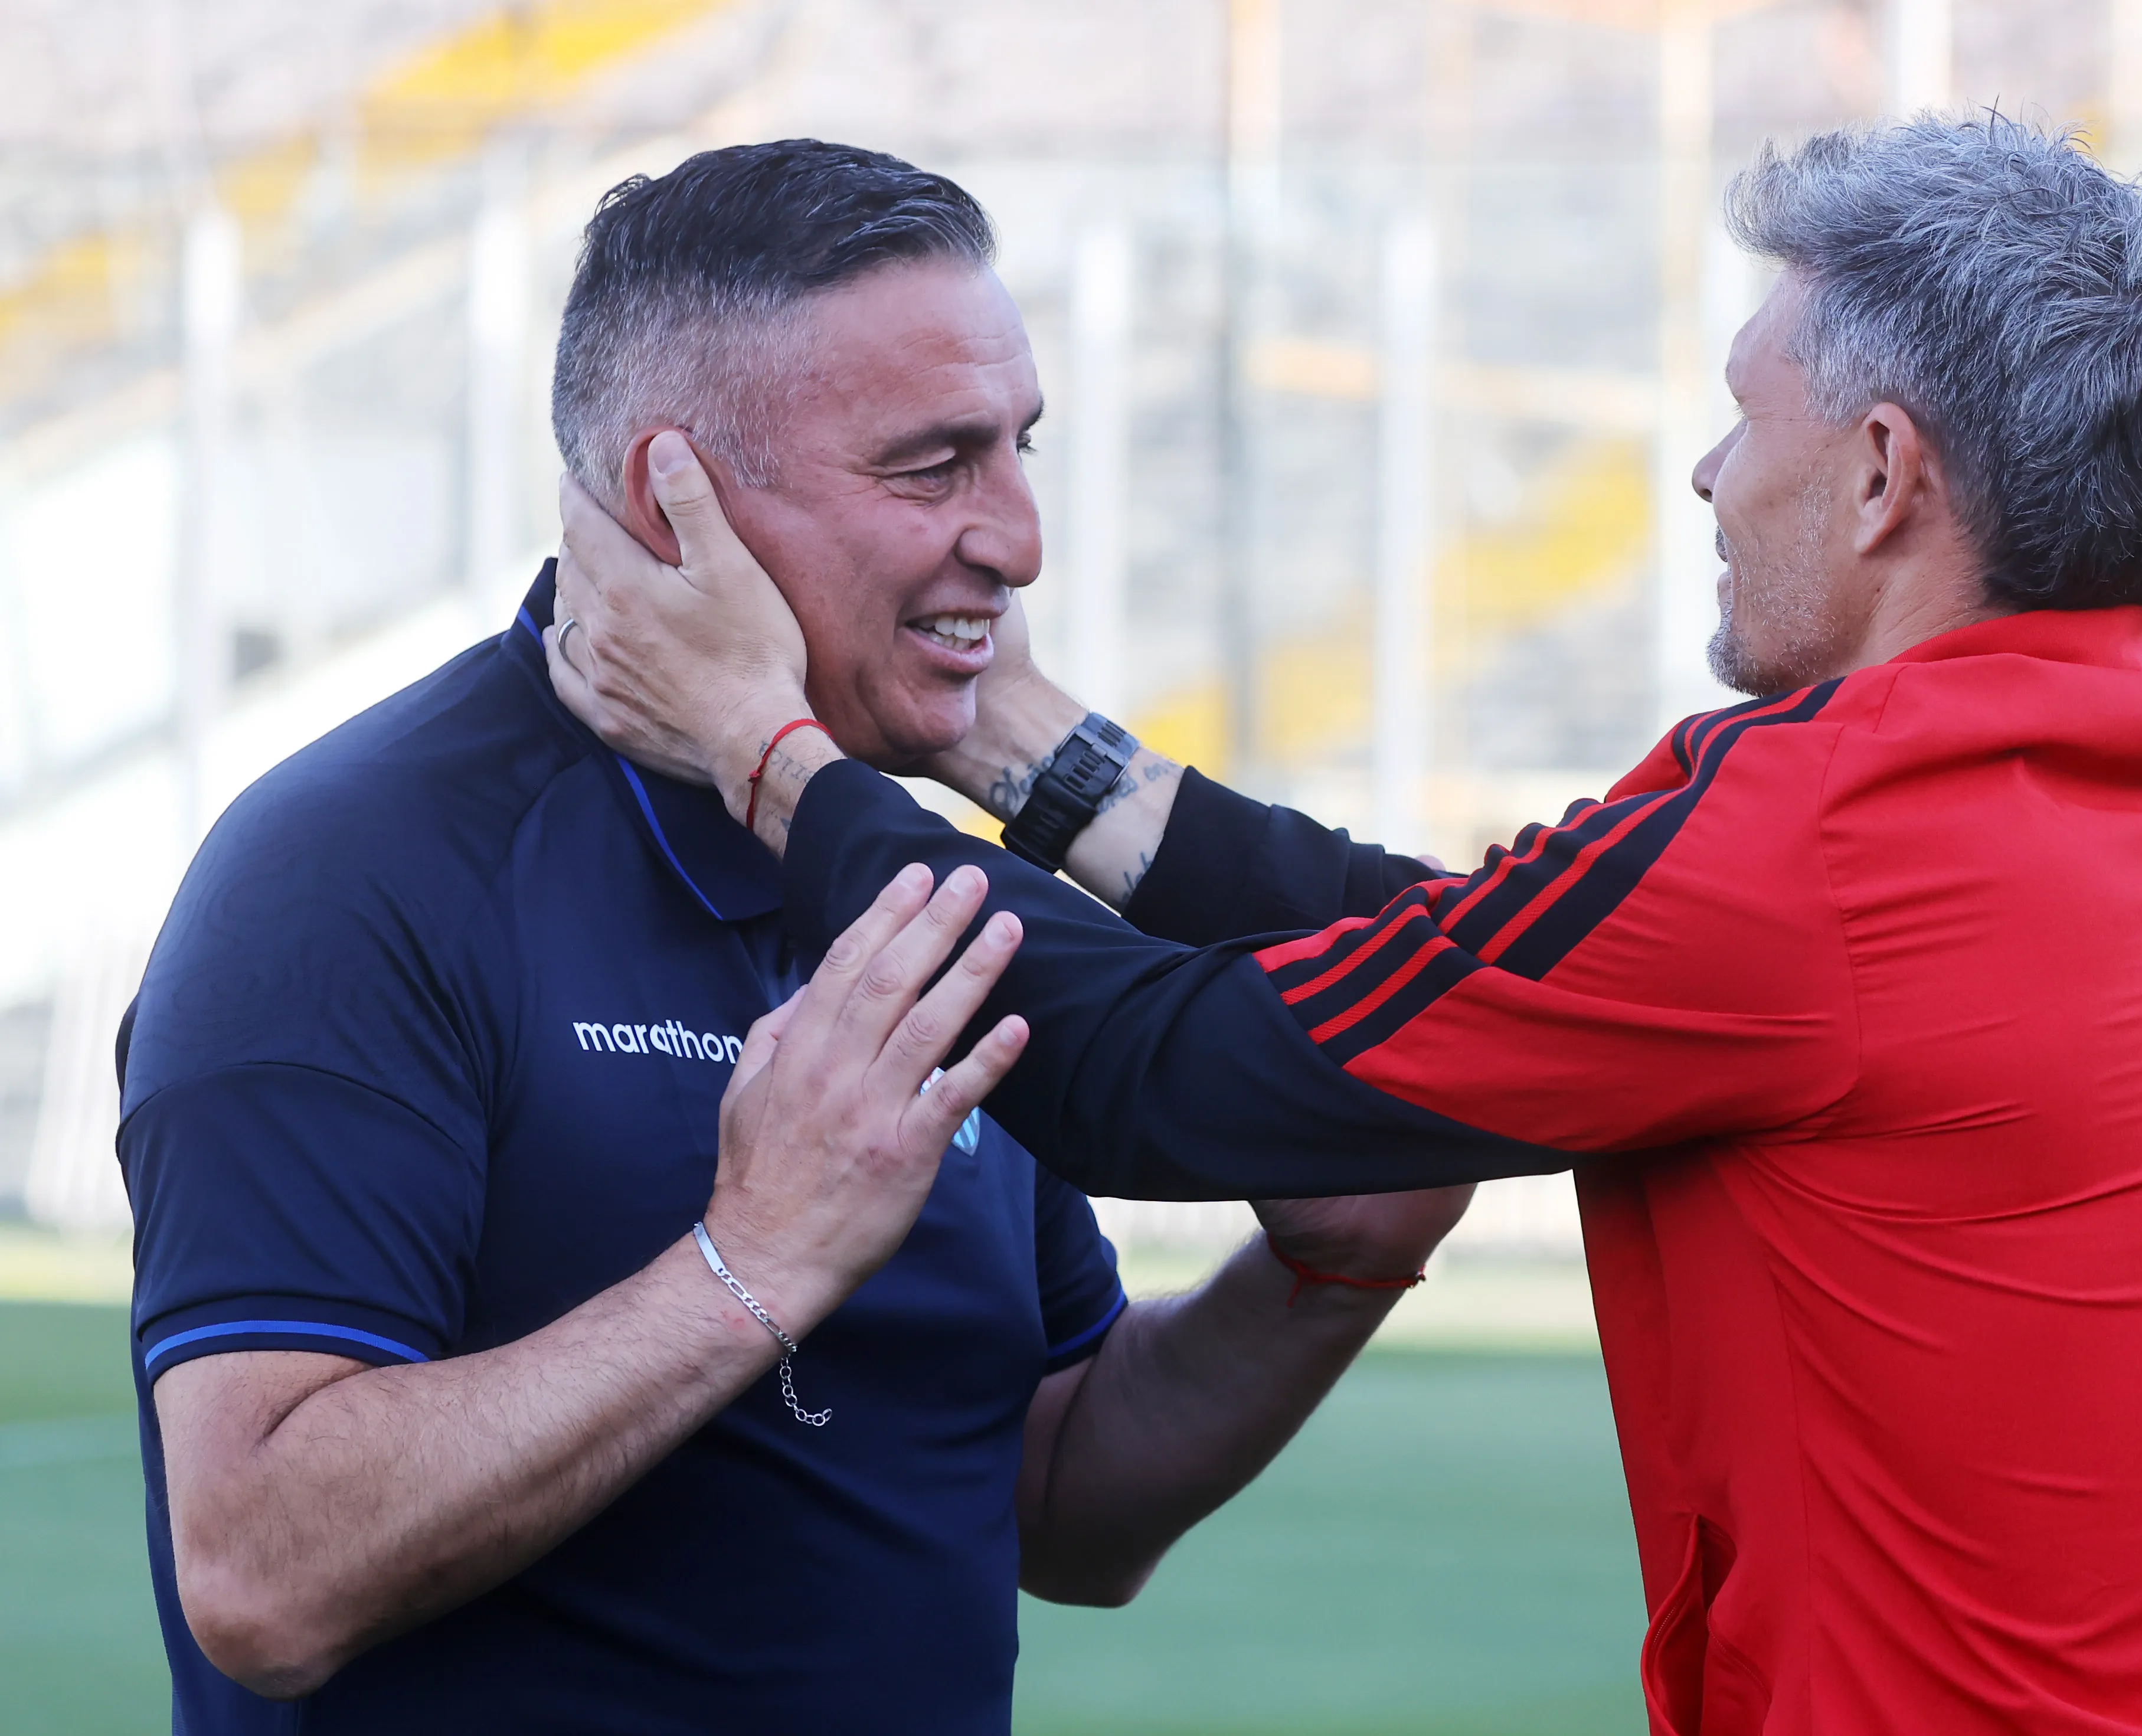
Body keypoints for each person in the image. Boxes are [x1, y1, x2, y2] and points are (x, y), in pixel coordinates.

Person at [554, 115, 2142, 1734]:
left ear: (1878, 476)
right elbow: (1485, 950)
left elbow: (1161, 1087)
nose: (1704, 476)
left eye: (1737, 418)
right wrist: (1009, 736)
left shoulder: (1825, 837)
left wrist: (770, 750)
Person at [117, 141, 1471, 1736]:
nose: (1022, 536)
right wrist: (747, 1265)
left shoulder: (902, 877)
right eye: (933, 465)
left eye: (1022, 447)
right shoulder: (352, 873)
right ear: (669, 499)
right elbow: (263, 1569)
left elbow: (1052, 1492)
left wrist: (1320, 1272)